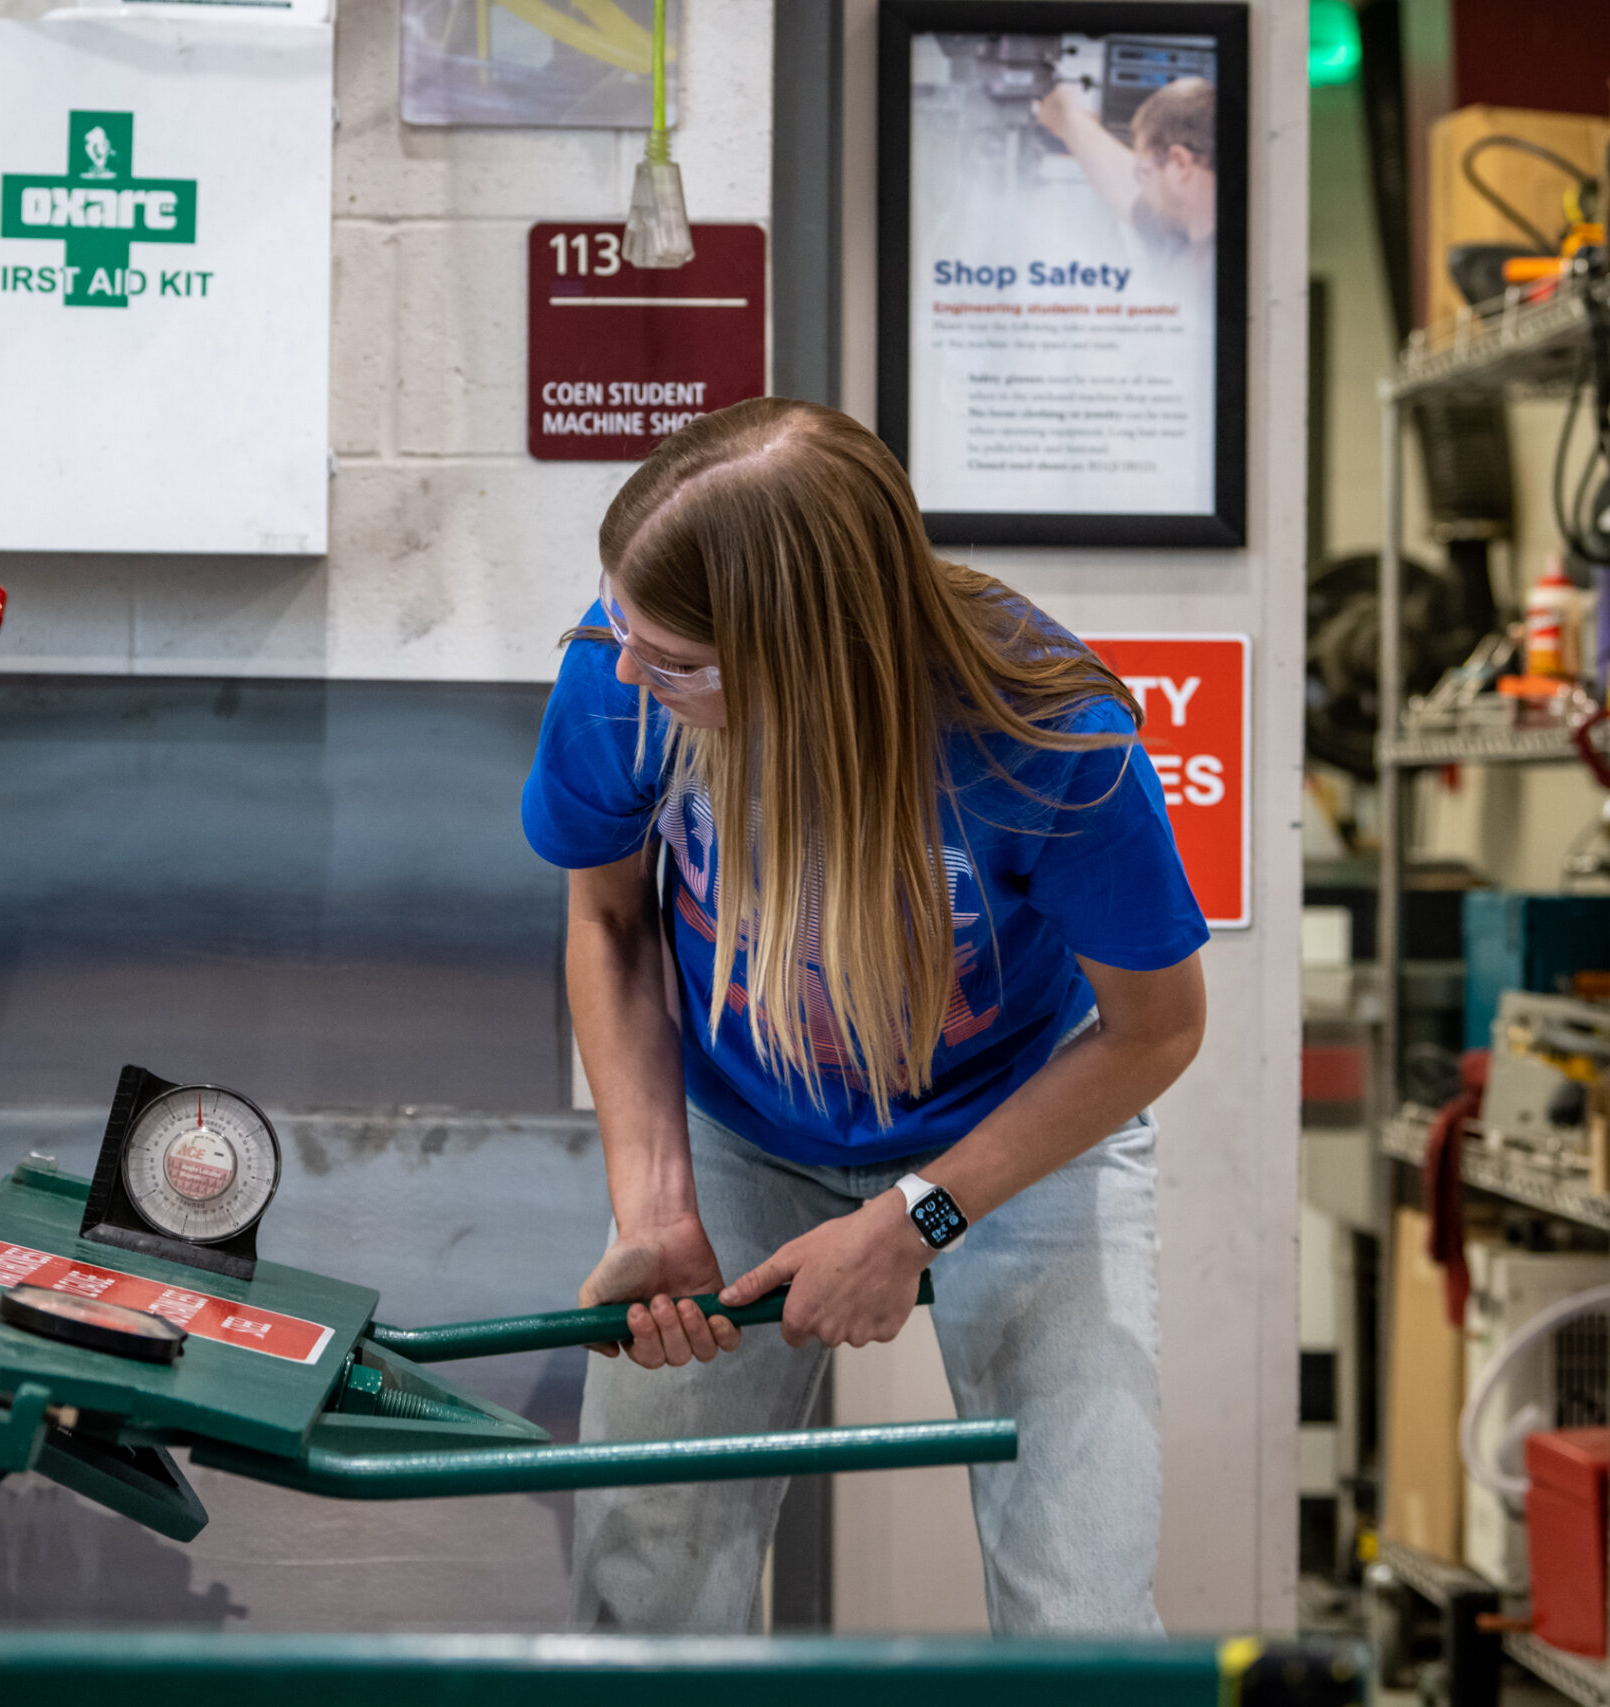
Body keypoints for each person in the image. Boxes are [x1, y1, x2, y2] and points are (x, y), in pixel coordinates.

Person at [522, 398, 1208, 1635]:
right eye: (622, 626)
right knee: (648, 1575)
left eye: (671, 658)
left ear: (805, 653)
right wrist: (657, 1203)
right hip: (740, 1128)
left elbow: (1154, 1032)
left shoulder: (1048, 737)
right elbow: (610, 925)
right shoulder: (617, 682)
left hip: (1019, 1126)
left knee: (1080, 1598)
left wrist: (918, 1216)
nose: (627, 670)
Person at [1035, 73, 1218, 259]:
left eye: (1145, 172)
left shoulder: (1201, 270)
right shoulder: (1192, 230)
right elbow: (1125, 188)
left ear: (1180, 163)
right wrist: (1065, 114)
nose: (1142, 188)